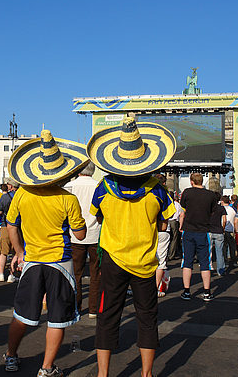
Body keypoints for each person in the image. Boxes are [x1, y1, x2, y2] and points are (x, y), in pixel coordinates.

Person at [87, 116, 176, 377]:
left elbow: (98, 217)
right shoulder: (158, 191)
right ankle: (146, 373)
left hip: (113, 260)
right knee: (147, 317)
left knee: (107, 316)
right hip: (145, 263)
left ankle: (103, 374)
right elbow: (164, 223)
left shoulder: (104, 187)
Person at [4, 129, 88, 377]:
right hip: (60, 263)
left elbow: (11, 224)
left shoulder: (22, 193)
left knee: (22, 315)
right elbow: (80, 234)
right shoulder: (67, 198)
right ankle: (47, 367)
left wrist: (19, 251)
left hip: (31, 260)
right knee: (57, 319)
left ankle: (11, 356)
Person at [64, 161, 100, 318]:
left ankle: (76, 307)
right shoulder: (98, 186)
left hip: (75, 235)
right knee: (96, 273)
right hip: (96, 234)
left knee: (76, 274)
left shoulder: (70, 186)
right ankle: (94, 309)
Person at [179, 173, 217, 301]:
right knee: (205, 263)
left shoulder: (187, 193)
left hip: (188, 230)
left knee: (187, 262)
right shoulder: (211, 195)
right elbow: (212, 211)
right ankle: (207, 292)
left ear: (191, 181)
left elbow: (183, 210)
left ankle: (187, 291)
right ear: (203, 181)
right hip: (204, 231)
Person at [0, 178, 20, 283]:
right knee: (16, 251)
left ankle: (1, 273)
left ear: (10, 186)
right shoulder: (21, 196)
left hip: (5, 225)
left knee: (3, 252)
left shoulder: (4, 197)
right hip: (19, 226)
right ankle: (12, 274)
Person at [209, 192, 227, 277]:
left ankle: (208, 268)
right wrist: (222, 228)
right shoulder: (221, 208)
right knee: (219, 252)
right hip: (219, 231)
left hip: (209, 230)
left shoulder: (208, 208)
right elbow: (224, 220)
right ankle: (221, 270)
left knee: (208, 251)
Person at [221, 195, 238, 268]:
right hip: (231, 230)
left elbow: (222, 221)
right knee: (232, 247)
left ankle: (225, 261)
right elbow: (235, 220)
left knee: (224, 247)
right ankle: (234, 261)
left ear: (222, 201)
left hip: (223, 230)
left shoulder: (221, 209)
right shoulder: (233, 209)